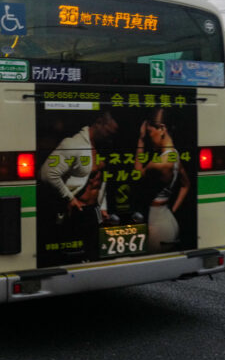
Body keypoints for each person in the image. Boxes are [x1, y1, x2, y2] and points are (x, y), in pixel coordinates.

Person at [42, 110, 119, 259]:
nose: (110, 138)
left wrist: (103, 208)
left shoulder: (103, 147)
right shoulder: (73, 144)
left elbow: (101, 180)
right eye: (108, 133)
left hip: (93, 211)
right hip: (75, 211)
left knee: (94, 253)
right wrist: (69, 198)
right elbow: (47, 174)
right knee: (71, 256)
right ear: (98, 123)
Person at [134, 108, 190, 253]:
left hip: (158, 224)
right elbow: (186, 185)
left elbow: (137, 173)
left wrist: (140, 140)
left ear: (161, 129)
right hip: (168, 219)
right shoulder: (174, 155)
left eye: (149, 133)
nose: (149, 138)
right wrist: (172, 210)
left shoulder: (160, 162)